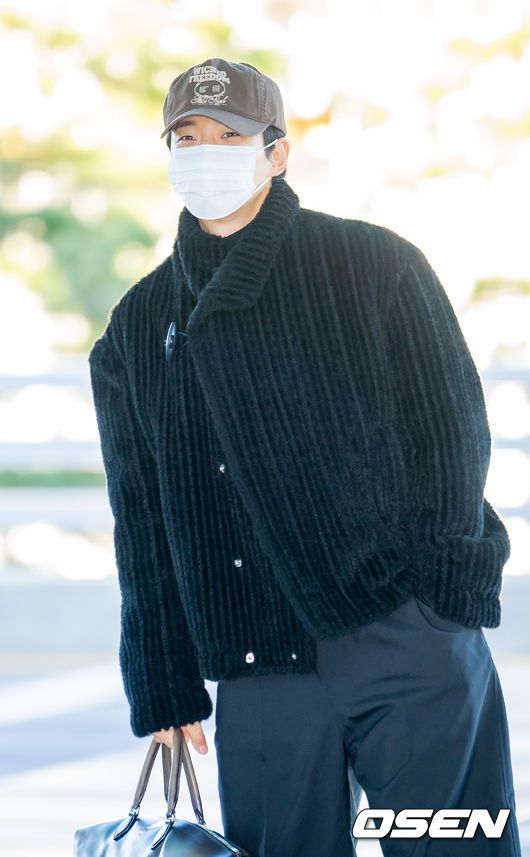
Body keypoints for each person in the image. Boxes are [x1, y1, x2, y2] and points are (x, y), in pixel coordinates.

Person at [88, 58, 522, 856]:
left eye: (230, 136)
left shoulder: (373, 264)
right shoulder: (137, 325)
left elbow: (452, 436)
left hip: (403, 632)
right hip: (256, 667)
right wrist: (162, 680)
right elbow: (141, 520)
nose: (206, 152)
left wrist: (441, 604)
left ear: (277, 152)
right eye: (188, 137)